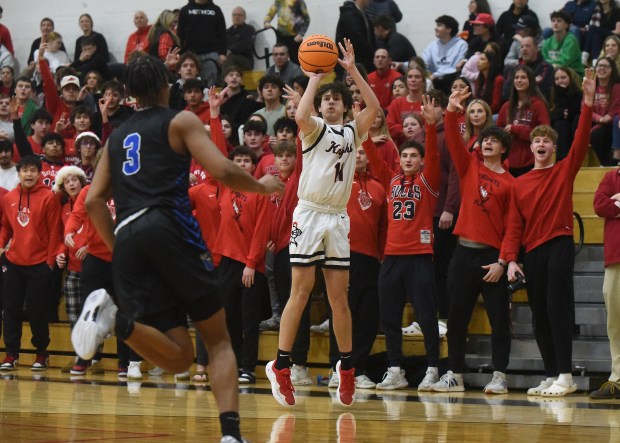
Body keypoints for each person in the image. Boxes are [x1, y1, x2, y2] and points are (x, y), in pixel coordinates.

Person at [71, 55, 283, 442]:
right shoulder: (180, 120)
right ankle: (231, 435)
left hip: (130, 235)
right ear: (166, 86)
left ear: (130, 94)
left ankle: (115, 320)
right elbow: (222, 169)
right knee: (218, 340)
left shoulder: (116, 137)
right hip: (168, 226)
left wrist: (120, 250)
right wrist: (263, 186)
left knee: (180, 357)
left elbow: (92, 202)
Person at [265, 38, 380, 407]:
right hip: (310, 213)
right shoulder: (312, 128)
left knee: (338, 299)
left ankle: (346, 368)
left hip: (338, 218)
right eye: (325, 100)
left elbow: (375, 108)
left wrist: (350, 70)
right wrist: (313, 76)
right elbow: (299, 115)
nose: (330, 102)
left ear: (346, 107)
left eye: (336, 99)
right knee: (300, 291)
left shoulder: (352, 132)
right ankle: (281, 365)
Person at [504, 68, 595, 397]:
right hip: (532, 252)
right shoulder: (520, 183)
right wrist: (511, 259)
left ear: (554, 147)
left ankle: (567, 376)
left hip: (558, 244)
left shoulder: (563, 171)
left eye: (546, 140)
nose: (541, 143)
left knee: (557, 310)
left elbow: (583, 138)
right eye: (536, 140)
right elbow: (514, 225)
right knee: (540, 314)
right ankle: (552, 373)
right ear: (530, 148)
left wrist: (586, 103)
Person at [431, 86, 514, 394]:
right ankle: (454, 373)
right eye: (485, 139)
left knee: (498, 321)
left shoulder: (510, 183)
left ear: (503, 149)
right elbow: (453, 140)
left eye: (494, 141)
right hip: (463, 254)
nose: (487, 143)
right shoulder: (469, 167)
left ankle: (500, 375)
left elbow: (513, 228)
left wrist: (503, 261)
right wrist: (451, 110)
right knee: (456, 318)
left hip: (492, 257)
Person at [365, 95, 441, 392]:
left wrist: (431, 126)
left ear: (420, 161)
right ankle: (395, 369)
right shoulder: (391, 180)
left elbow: (434, 156)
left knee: (424, 315)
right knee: (390, 317)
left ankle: (433, 368)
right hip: (391, 257)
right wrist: (363, 128)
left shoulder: (428, 181)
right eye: (405, 156)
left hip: (420, 256)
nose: (408, 159)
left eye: (413, 156)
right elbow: (371, 153)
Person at [326, 141, 387, 390]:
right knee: (340, 312)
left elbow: (383, 228)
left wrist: (382, 256)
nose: (359, 155)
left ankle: (358, 369)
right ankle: (336, 369)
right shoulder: (336, 181)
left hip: (370, 258)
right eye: (355, 151)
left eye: (363, 152)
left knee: (367, 315)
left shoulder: (379, 188)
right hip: (339, 254)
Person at [0, 155, 62, 371]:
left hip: (39, 263)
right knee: (11, 308)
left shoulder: (49, 198)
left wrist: (50, 262)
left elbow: (56, 231)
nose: (28, 174)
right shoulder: (9, 198)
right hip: (13, 261)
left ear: (39, 174)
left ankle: (41, 353)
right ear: (18, 174)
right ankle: (11, 354)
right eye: (24, 170)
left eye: (32, 171)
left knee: (37, 310)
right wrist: (1, 246)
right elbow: (6, 227)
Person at [590, 166, 620, 399]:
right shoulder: (612, 177)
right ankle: (617, 379)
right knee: (615, 321)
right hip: (616, 258)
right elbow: (600, 205)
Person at [497, 65, 550, 177]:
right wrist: (504, 133)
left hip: (530, 162)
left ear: (530, 81)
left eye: (523, 77)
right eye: (516, 77)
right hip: (508, 163)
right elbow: (498, 131)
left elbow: (545, 133)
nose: (519, 80)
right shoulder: (506, 106)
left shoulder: (538, 104)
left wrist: (516, 129)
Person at [177, 0, 227, 87]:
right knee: (188, 85)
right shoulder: (185, 10)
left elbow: (222, 33)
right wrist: (179, 53)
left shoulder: (216, 10)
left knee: (210, 85)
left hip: (211, 53)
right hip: (190, 54)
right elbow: (180, 34)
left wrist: (223, 53)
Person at [422, 15, 468, 94]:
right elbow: (424, 62)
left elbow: (456, 68)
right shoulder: (432, 45)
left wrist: (435, 75)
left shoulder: (461, 44)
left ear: (448, 30)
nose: (436, 28)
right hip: (434, 80)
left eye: (439, 25)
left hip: (451, 80)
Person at [502, 35, 554, 102]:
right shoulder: (515, 69)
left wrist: (517, 90)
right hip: (516, 107)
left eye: (527, 46)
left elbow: (538, 91)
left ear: (536, 49)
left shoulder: (546, 68)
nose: (524, 49)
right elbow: (506, 93)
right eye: (522, 47)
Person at [590, 57, 620, 166]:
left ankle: (609, 164)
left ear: (612, 70)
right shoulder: (591, 85)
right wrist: (599, 119)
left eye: (606, 66)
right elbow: (585, 108)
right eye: (599, 66)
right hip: (596, 120)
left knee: (598, 134)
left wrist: (607, 117)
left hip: (611, 124)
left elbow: (616, 108)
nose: (602, 68)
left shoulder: (617, 87)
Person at [386, 64, 426, 145]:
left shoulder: (428, 102)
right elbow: (389, 125)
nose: (413, 80)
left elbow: (432, 125)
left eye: (417, 77)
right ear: (406, 81)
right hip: (401, 146)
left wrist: (415, 132)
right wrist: (408, 130)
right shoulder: (396, 103)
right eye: (410, 77)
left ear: (423, 81)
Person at [263, 0, 311, 66]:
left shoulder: (298, 1)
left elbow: (306, 19)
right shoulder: (278, 2)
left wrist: (301, 34)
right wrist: (266, 22)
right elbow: (270, 13)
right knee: (280, 59)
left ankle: (296, 75)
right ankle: (281, 75)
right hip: (281, 36)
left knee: (296, 61)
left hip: (295, 37)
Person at [551, 66, 583, 160]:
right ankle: (562, 160)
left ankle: (574, 157)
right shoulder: (552, 93)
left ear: (570, 78)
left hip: (574, 124)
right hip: (560, 127)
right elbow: (551, 114)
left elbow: (575, 112)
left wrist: (562, 114)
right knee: (560, 124)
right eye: (557, 79)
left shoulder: (578, 93)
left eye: (563, 77)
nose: (560, 81)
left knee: (573, 121)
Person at [336, 0, 376, 75]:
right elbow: (357, 40)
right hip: (353, 62)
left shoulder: (362, 14)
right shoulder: (349, 15)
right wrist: (372, 54)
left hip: (362, 61)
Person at [542, 10, 584, 76]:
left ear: (566, 25)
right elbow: (543, 61)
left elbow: (564, 62)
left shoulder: (571, 40)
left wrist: (550, 64)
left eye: (559, 21)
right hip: (554, 72)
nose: (555, 23)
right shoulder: (547, 42)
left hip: (573, 73)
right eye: (553, 21)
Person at [225, 7, 255, 71]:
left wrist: (230, 50)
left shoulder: (249, 29)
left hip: (245, 60)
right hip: (229, 59)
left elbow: (246, 45)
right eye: (234, 15)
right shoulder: (227, 32)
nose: (236, 17)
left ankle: (224, 80)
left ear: (244, 17)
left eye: (239, 15)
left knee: (231, 58)